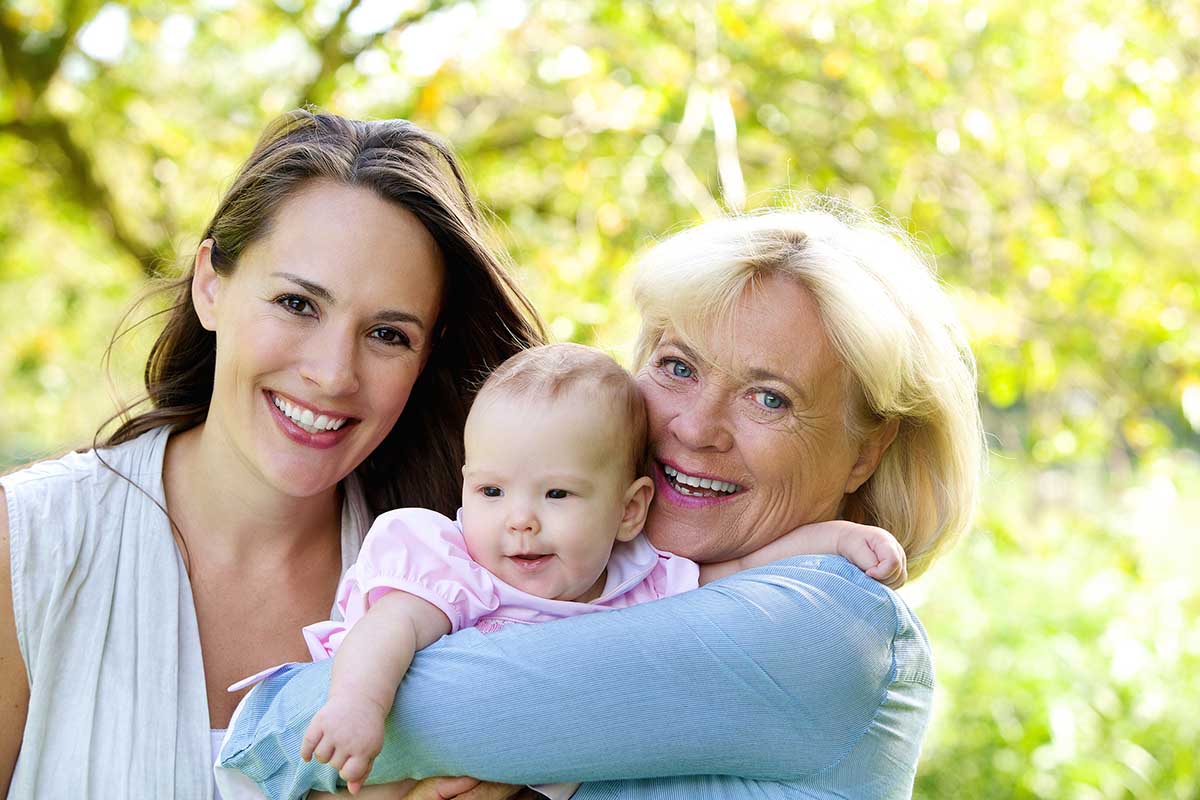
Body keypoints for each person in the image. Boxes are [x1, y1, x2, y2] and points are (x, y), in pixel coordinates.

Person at [215, 200, 986, 799]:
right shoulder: (637, 577)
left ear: (866, 449)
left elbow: (306, 726)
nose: (694, 426)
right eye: (678, 366)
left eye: (770, 399)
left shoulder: (823, 623)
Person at [0, 109, 545, 798]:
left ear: (426, 354)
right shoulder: (27, 544)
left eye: (387, 334)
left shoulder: (477, 580)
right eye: (296, 302)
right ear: (211, 284)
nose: (332, 374)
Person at [216, 343, 906, 799]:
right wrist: (357, 706)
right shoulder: (457, 565)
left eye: (556, 495)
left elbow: (741, 573)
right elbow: (389, 628)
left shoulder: (642, 579)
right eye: (491, 492)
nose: (519, 520)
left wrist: (831, 540)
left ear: (630, 509)